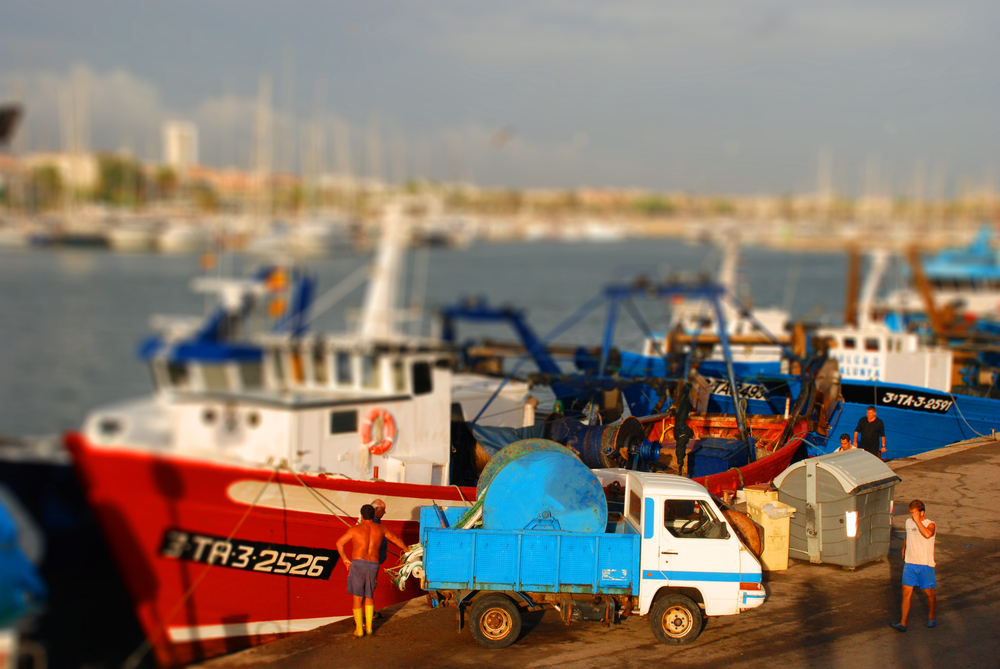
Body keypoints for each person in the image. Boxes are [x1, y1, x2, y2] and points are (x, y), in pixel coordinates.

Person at [336, 504, 407, 637]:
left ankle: (359, 629)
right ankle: (369, 628)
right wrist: (408, 551)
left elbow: (339, 543)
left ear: (361, 516)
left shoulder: (355, 530)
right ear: (373, 515)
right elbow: (396, 540)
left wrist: (345, 559)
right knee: (369, 595)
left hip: (358, 564)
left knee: (357, 597)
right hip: (373, 564)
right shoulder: (381, 529)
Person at [890, 500, 937, 632]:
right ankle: (903, 623)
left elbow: (928, 534)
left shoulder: (930, 524)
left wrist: (918, 521)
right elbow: (907, 535)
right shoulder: (908, 522)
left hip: (925, 565)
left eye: (914, 513)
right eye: (910, 513)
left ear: (922, 512)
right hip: (910, 564)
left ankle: (931, 617)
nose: (912, 516)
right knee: (906, 593)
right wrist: (904, 548)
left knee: (929, 593)